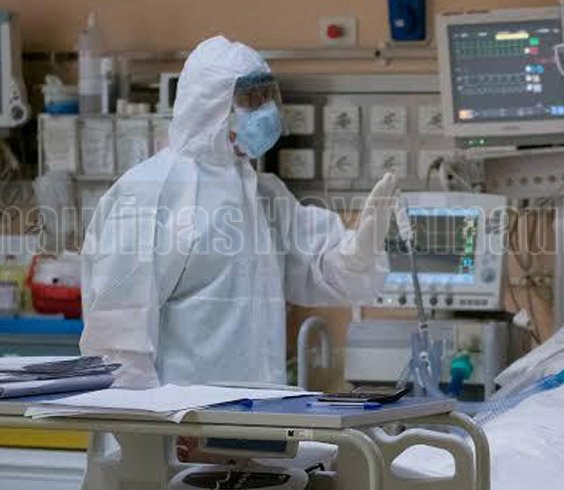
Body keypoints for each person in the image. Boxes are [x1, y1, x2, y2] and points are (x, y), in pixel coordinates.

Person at [80, 36, 396, 388]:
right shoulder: (150, 192)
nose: (266, 111)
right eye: (251, 100)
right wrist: (145, 417)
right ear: (212, 107)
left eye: (267, 97)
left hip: (257, 410)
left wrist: (360, 251)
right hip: (182, 415)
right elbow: (118, 337)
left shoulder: (262, 194)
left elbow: (319, 267)